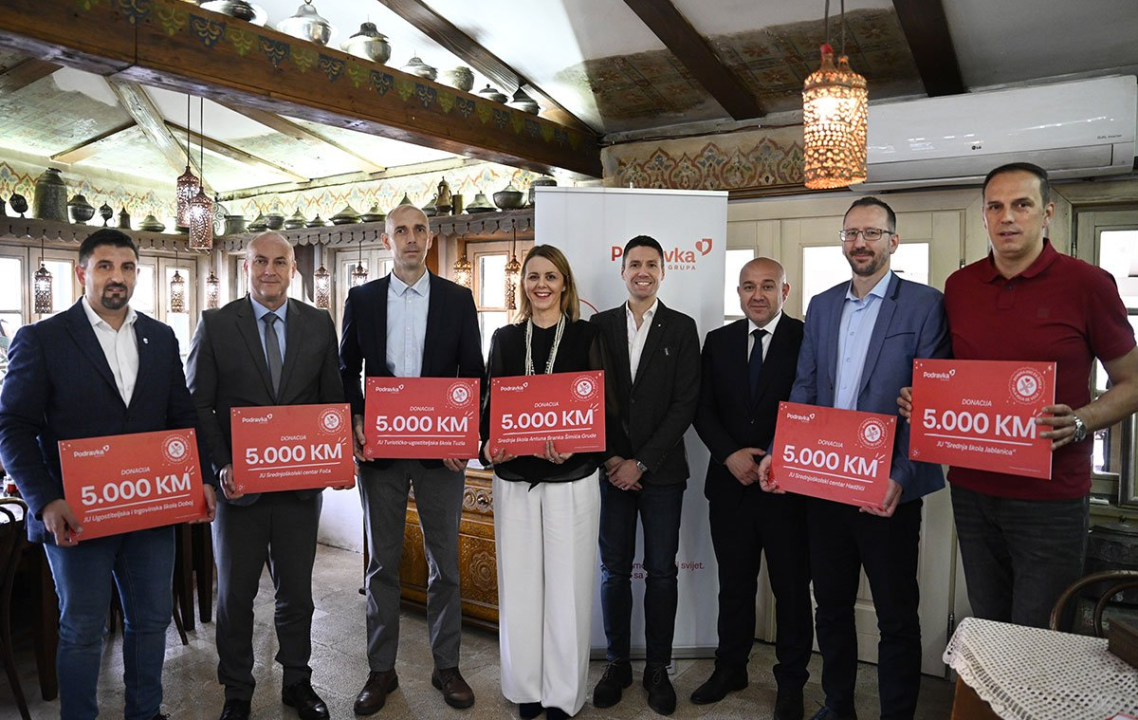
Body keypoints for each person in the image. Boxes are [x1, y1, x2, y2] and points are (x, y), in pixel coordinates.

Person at [899, 163, 1138, 628]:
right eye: (995, 206)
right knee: (988, 626)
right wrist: (923, 399)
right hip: (973, 491)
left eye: (1021, 205)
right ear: (984, 216)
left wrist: (1082, 421)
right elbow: (956, 377)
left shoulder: (1088, 283)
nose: (1007, 217)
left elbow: (1132, 382)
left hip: (1052, 497)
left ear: (1047, 213)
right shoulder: (960, 286)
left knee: (1040, 635)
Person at [0, 229, 216, 720]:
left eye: (127, 267)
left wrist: (201, 476)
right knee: (82, 630)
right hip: (76, 514)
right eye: (104, 266)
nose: (117, 277)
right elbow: (12, 426)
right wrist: (44, 499)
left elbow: (182, 417)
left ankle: (146, 712)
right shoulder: (43, 339)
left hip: (149, 508)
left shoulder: (160, 338)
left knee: (152, 620)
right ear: (82, 273)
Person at [759, 197, 950, 720]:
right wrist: (779, 452)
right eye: (851, 234)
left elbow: (931, 402)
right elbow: (805, 388)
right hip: (825, 482)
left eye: (872, 233)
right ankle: (837, 705)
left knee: (896, 615)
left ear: (893, 240)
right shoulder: (822, 306)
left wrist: (901, 475)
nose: (860, 243)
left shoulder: (924, 304)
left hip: (887, 488)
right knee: (832, 606)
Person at [187, 232, 344, 720]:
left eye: (279, 262)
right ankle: (237, 690)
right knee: (236, 598)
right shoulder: (216, 325)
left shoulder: (319, 323)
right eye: (260, 261)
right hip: (240, 490)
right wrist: (221, 464)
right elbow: (198, 405)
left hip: (299, 489)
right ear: (246, 267)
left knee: (297, 594)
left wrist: (337, 459)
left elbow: (331, 402)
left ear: (293, 269)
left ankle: (298, 680)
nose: (269, 271)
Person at [339, 204, 484, 715]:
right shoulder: (361, 299)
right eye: (401, 230)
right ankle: (381, 671)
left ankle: (447, 666)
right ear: (386, 241)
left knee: (445, 564)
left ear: (430, 238)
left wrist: (464, 435)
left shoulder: (457, 299)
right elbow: (346, 368)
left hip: (440, 455)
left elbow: (474, 373)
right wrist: (355, 417)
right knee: (382, 564)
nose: (411, 238)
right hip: (379, 453)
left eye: (420, 229)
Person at [481, 244, 617, 720]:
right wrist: (489, 447)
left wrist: (578, 446)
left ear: (565, 284)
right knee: (519, 588)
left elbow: (603, 410)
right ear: (523, 284)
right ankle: (526, 689)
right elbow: (489, 409)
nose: (541, 285)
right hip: (515, 480)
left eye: (550, 276)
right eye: (533, 276)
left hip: (571, 481)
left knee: (568, 589)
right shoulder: (504, 338)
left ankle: (562, 694)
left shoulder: (586, 335)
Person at [691, 257, 811, 719]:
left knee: (791, 591)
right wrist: (729, 455)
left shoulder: (806, 338)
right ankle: (731, 668)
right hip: (731, 487)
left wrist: (778, 456)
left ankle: (791, 683)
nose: (756, 295)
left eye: (767, 286)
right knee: (735, 587)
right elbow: (702, 408)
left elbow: (814, 405)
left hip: (787, 490)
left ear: (785, 291)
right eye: (747, 286)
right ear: (738, 292)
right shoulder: (718, 341)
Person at [590, 235, 700, 717]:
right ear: (623, 270)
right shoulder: (598, 326)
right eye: (634, 263)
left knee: (661, 572)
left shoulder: (682, 327)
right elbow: (590, 397)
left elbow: (685, 404)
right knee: (614, 571)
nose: (643, 272)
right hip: (611, 470)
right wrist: (614, 458)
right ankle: (617, 664)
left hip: (662, 474)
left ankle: (658, 668)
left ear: (663, 271)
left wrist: (642, 461)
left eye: (651, 264)